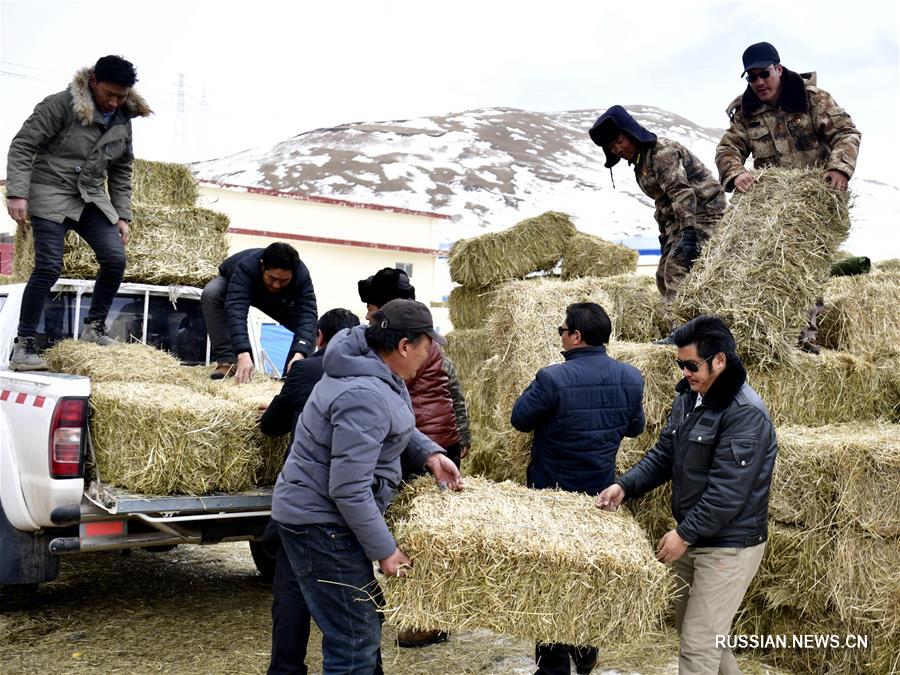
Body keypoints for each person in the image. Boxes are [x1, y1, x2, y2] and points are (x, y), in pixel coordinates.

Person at [271, 299, 463, 675]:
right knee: (354, 635)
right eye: (427, 345)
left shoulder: (369, 368)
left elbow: (389, 426)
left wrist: (429, 454)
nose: (430, 354)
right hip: (321, 522)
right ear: (404, 345)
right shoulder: (365, 392)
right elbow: (348, 488)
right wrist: (386, 550)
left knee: (361, 620)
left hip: (316, 514)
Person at [596, 315, 778, 675]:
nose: (684, 373)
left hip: (729, 543)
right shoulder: (690, 397)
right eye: (681, 364)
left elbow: (728, 493)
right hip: (697, 534)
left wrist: (684, 534)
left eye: (692, 365)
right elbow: (664, 454)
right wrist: (625, 485)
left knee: (698, 645)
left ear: (720, 361)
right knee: (701, 636)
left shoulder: (745, 415)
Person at [511, 302, 644, 675]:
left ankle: (552, 663)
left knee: (551, 576)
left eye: (562, 330)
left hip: (551, 496)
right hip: (600, 494)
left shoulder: (553, 378)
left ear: (576, 336)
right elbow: (634, 428)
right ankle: (586, 649)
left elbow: (519, 420)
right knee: (586, 572)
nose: (561, 335)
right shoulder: (631, 377)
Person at [5, 55, 151, 371]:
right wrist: (16, 192)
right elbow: (23, 145)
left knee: (115, 259)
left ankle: (94, 327)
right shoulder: (59, 105)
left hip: (90, 197)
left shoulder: (123, 120)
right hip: (50, 191)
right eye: (109, 94)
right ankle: (24, 346)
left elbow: (122, 168)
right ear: (94, 80)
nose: (114, 102)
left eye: (121, 96)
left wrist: (122, 215)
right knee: (48, 266)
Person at [715, 42, 862, 354]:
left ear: (778, 69)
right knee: (761, 268)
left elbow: (846, 133)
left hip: (814, 199)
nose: (759, 82)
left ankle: (804, 338)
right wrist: (737, 172)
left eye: (764, 74)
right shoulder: (746, 111)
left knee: (808, 270)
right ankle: (758, 334)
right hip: (770, 204)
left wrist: (840, 169)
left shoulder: (812, 99)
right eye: (751, 77)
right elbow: (727, 149)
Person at [358, 266, 470, 648]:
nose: (368, 318)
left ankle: (427, 618)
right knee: (431, 534)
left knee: (418, 536)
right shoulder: (433, 347)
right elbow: (455, 390)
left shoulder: (396, 351)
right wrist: (461, 438)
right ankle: (428, 614)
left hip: (413, 448)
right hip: (438, 444)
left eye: (372, 309)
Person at [257, 308, 361, 675]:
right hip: (352, 505)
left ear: (319, 337)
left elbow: (271, 426)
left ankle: (286, 668)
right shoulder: (376, 378)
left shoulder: (307, 370)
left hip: (303, 500)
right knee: (354, 594)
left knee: (292, 589)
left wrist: (268, 411)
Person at [589, 105, 725, 312]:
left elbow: (681, 192)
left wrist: (688, 234)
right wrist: (665, 237)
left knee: (676, 269)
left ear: (630, 133)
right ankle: (680, 324)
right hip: (680, 218)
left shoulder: (662, 153)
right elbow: (663, 202)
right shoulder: (640, 162)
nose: (617, 150)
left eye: (619, 141)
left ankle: (681, 331)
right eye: (611, 147)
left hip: (704, 212)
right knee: (662, 275)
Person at [201, 243, 317, 382]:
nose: (276, 285)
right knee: (212, 292)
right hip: (235, 287)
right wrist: (243, 354)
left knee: (311, 331)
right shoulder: (246, 267)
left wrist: (300, 353)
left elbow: (307, 315)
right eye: (272, 278)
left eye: (283, 280)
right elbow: (236, 310)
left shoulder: (301, 274)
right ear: (262, 265)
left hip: (279, 301)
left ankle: (290, 378)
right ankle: (227, 361)